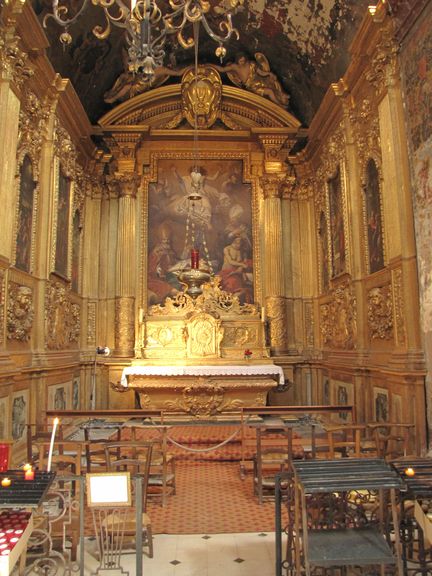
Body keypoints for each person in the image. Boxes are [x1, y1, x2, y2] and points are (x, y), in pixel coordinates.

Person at [215, 52, 289, 107]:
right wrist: (209, 65)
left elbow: (261, 73)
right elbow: (222, 69)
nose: (242, 63)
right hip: (253, 87)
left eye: (244, 61)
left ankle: (281, 99)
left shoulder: (252, 64)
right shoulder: (234, 67)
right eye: (240, 61)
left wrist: (269, 74)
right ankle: (279, 105)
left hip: (260, 82)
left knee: (274, 83)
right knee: (270, 91)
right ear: (237, 61)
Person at [148, 223, 181, 304]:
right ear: (160, 240)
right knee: (169, 287)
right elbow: (152, 270)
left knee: (178, 282)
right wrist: (158, 257)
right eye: (164, 241)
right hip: (154, 279)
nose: (166, 243)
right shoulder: (156, 252)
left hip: (170, 275)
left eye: (168, 241)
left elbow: (175, 262)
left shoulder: (169, 250)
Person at [219, 236, 253, 303]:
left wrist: (240, 268)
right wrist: (242, 265)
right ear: (232, 242)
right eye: (236, 242)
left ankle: (235, 301)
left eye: (239, 243)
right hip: (226, 272)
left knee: (237, 284)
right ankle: (228, 301)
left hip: (237, 272)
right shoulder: (227, 249)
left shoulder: (242, 251)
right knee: (230, 283)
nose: (238, 245)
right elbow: (230, 261)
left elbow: (245, 263)